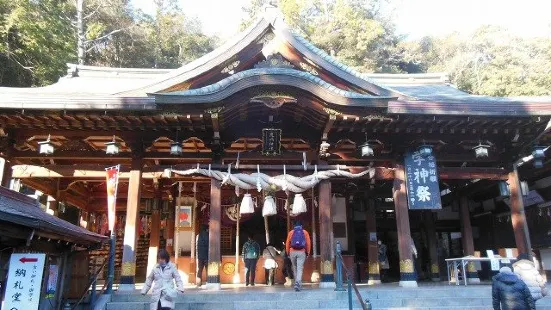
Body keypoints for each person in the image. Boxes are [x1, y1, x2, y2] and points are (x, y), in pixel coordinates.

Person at [285, 220, 311, 291]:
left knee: (294, 267)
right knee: (300, 268)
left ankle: (297, 283)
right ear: (301, 226)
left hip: (292, 252)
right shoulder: (305, 232)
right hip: (301, 252)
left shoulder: (291, 232)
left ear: (294, 226)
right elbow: (308, 243)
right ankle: (298, 282)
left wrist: (287, 252)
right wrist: (308, 252)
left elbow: (287, 243)